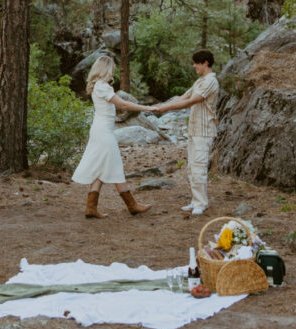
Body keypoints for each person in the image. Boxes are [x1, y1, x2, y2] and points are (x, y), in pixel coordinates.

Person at [71, 54, 154, 218]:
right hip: (103, 132)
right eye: (112, 69)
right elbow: (122, 104)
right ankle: (132, 205)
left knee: (102, 167)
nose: (113, 72)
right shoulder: (103, 86)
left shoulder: (98, 86)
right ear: (106, 69)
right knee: (114, 165)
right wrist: (144, 108)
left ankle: (91, 207)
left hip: (100, 129)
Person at [152, 49, 219, 216]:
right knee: (192, 167)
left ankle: (201, 203)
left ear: (205, 63)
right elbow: (183, 97)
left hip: (204, 131)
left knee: (199, 167)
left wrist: (164, 108)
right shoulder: (199, 82)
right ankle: (195, 200)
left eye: (196, 62)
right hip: (194, 130)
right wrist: (160, 107)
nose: (194, 66)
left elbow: (190, 102)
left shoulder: (210, 81)